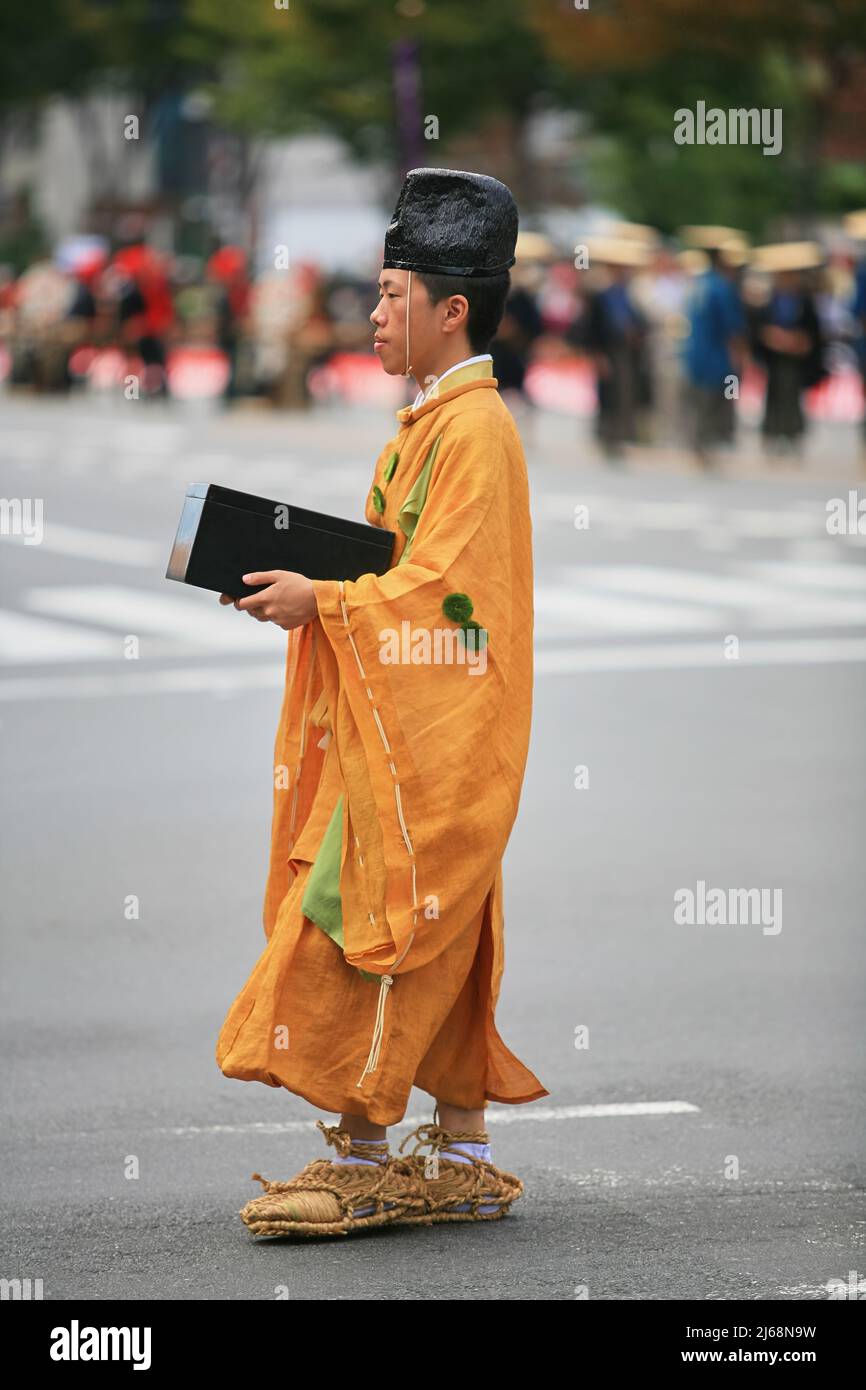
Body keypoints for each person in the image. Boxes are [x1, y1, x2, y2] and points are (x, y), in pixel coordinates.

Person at [214, 167, 549, 1238]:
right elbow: (398, 568)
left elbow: (447, 597)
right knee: (432, 925)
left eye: (391, 296)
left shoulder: (473, 431)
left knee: (364, 919)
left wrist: (325, 601)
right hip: (407, 720)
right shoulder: (426, 423)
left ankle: (361, 1155)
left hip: (431, 728)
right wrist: (304, 579)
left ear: (451, 311)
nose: (371, 313)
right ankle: (464, 1154)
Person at [573, 237, 652, 462]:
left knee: (625, 393)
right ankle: (606, 436)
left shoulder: (627, 294)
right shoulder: (600, 295)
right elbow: (592, 329)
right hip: (608, 351)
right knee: (609, 394)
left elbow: (640, 321)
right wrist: (598, 356)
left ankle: (621, 435)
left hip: (627, 352)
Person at [679, 229, 749, 469]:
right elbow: (732, 327)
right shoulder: (721, 287)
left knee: (698, 400)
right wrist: (739, 354)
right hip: (717, 355)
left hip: (695, 352)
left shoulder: (697, 284)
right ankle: (710, 444)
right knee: (717, 400)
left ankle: (698, 443)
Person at [749, 243, 826, 457]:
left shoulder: (804, 302)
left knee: (792, 395)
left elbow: (814, 331)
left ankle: (793, 434)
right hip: (774, 356)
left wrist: (799, 341)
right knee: (774, 394)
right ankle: (772, 433)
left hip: (796, 356)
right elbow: (759, 328)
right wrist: (771, 337)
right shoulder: (769, 300)